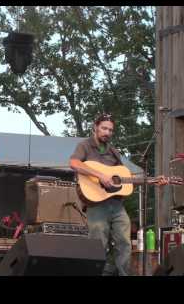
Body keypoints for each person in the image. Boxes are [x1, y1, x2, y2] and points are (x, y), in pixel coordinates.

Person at [69, 113, 166, 276]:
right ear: (95, 127)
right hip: (96, 204)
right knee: (98, 243)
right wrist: (100, 175)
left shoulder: (114, 152)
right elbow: (74, 163)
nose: (107, 132)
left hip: (116, 205)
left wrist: (153, 181)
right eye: (104, 128)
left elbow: (122, 177)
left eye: (110, 130)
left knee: (124, 242)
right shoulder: (85, 146)